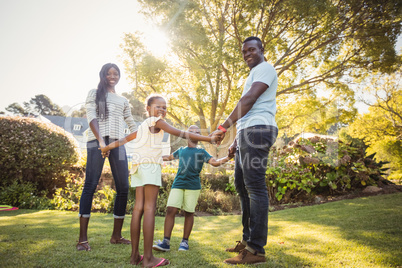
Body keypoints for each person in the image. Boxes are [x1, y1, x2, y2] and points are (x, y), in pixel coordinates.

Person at [101, 95, 220, 267]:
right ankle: (148, 259)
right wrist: (210, 139)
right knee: (149, 208)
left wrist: (106, 147)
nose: (162, 110)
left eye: (164, 107)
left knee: (138, 209)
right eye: (158, 106)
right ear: (148, 108)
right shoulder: (156, 121)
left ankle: (135, 256)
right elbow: (181, 133)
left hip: (138, 167)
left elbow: (125, 139)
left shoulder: (143, 125)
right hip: (150, 166)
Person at [210, 36, 278, 265]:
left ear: (261, 49)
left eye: (251, 49)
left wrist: (223, 126)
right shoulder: (252, 74)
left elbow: (249, 100)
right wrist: (236, 140)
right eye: (244, 51)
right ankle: (247, 241)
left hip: (259, 130)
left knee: (255, 187)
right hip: (247, 133)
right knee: (241, 185)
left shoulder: (265, 68)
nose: (247, 54)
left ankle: (256, 250)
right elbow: (246, 109)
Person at [77, 63, 137, 251]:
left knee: (123, 187)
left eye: (116, 73)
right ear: (103, 75)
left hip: (117, 145)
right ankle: (82, 240)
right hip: (97, 142)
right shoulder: (94, 94)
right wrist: (102, 142)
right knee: (90, 185)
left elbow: (133, 127)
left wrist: (148, 129)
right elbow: (92, 117)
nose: (113, 76)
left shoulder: (123, 100)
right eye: (109, 73)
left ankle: (116, 236)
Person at [152, 125, 234, 252]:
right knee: (170, 210)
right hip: (178, 184)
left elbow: (215, 162)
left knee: (189, 212)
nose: (194, 133)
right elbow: (168, 157)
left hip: (193, 186)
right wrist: (153, 157)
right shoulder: (181, 150)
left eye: (197, 132)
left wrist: (228, 157)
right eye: (191, 132)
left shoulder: (201, 152)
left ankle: (184, 242)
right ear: (186, 135)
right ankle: (166, 242)